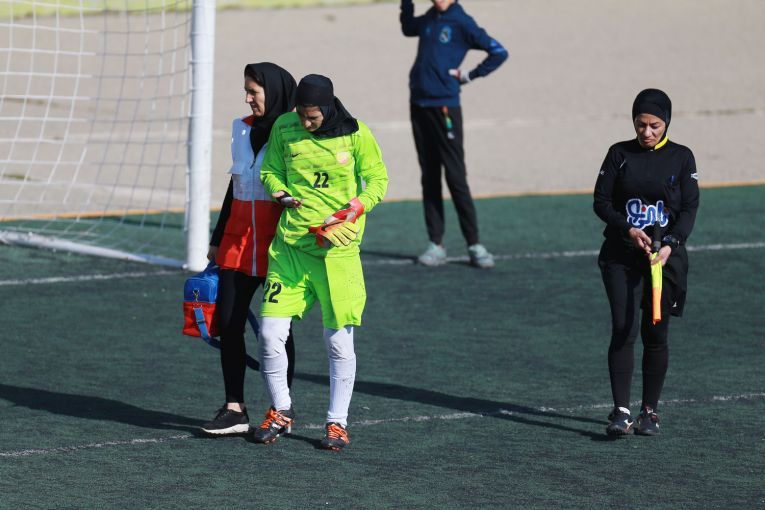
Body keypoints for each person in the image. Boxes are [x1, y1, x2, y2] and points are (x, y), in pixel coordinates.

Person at [251, 74, 388, 451]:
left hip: (336, 253)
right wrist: (279, 192)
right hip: (291, 250)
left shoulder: (356, 134)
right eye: (301, 115)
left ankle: (337, 423)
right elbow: (270, 170)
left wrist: (355, 207)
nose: (306, 123)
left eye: (312, 117)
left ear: (328, 108)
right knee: (269, 334)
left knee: (339, 343)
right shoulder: (284, 126)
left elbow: (377, 180)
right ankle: (281, 409)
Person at [594, 89, 700, 436]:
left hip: (664, 261)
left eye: (655, 125)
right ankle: (621, 411)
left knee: (655, 333)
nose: (647, 132)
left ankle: (649, 412)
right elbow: (601, 201)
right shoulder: (619, 154)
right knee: (623, 327)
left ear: (666, 122)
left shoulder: (682, 157)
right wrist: (628, 228)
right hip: (622, 257)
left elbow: (689, 209)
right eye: (641, 124)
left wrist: (671, 243)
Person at [200, 62, 298, 436]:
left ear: (274, 92)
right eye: (246, 90)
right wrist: (217, 237)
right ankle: (234, 409)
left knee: (278, 332)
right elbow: (235, 185)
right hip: (237, 243)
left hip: (280, 247)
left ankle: (280, 409)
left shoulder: (296, 133)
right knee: (228, 323)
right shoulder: (240, 127)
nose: (247, 98)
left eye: (253, 91)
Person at [400, 0, 508, 268]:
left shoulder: (461, 22)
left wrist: (470, 75)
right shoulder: (430, 17)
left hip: (445, 107)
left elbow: (499, 52)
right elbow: (408, 28)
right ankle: (436, 245)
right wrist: (406, 4)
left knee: (456, 177)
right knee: (429, 176)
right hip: (418, 105)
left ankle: (474, 245)